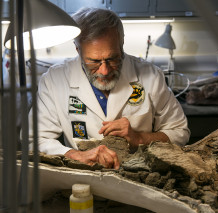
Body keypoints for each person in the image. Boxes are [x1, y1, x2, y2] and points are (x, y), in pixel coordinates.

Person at [28, 7, 190, 170]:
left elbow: (179, 131)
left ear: (122, 44)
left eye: (112, 59)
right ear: (78, 49)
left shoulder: (150, 76)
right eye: (93, 61)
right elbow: (35, 139)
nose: (104, 71)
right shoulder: (54, 80)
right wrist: (75, 155)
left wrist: (139, 138)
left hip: (139, 177)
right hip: (82, 178)